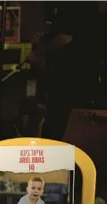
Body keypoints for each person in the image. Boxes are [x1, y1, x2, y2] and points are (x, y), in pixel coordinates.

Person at [29, 2, 102, 140]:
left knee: (59, 120)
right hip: (74, 75)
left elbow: (64, 38)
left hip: (70, 75)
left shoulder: (75, 7)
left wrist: (40, 51)